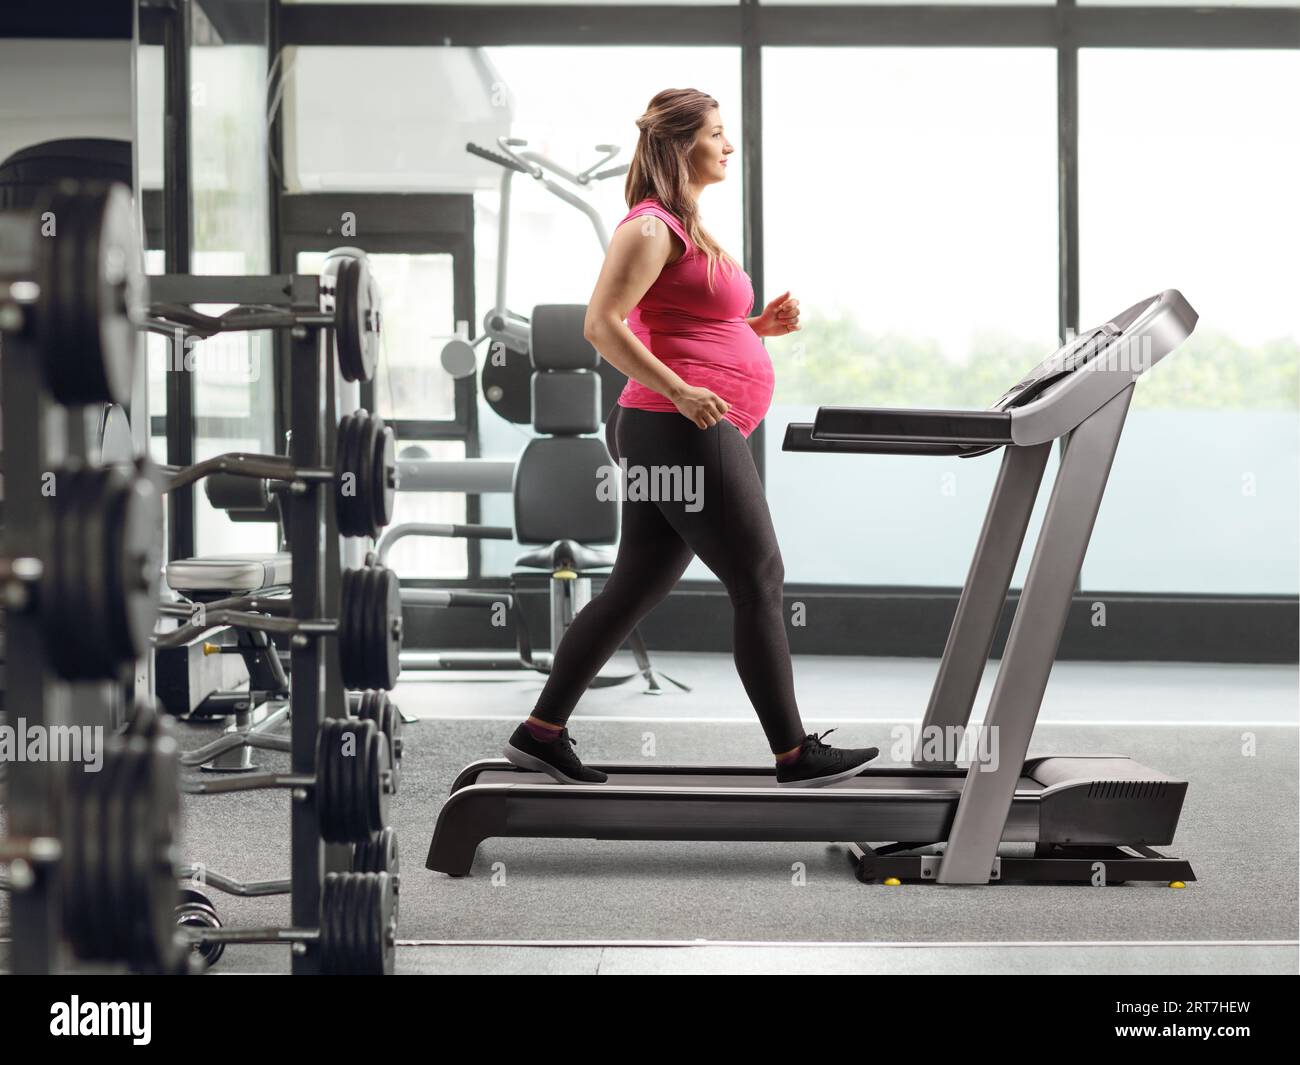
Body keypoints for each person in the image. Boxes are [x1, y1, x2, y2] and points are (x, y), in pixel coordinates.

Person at [504, 87, 879, 788]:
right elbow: (602, 323)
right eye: (716, 134)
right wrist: (680, 386)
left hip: (670, 428)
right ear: (681, 144)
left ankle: (539, 731)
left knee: (632, 585)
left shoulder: (685, 224)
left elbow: (682, 320)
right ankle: (794, 752)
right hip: (676, 426)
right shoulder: (647, 228)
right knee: (760, 577)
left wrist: (755, 329)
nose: (728, 146)